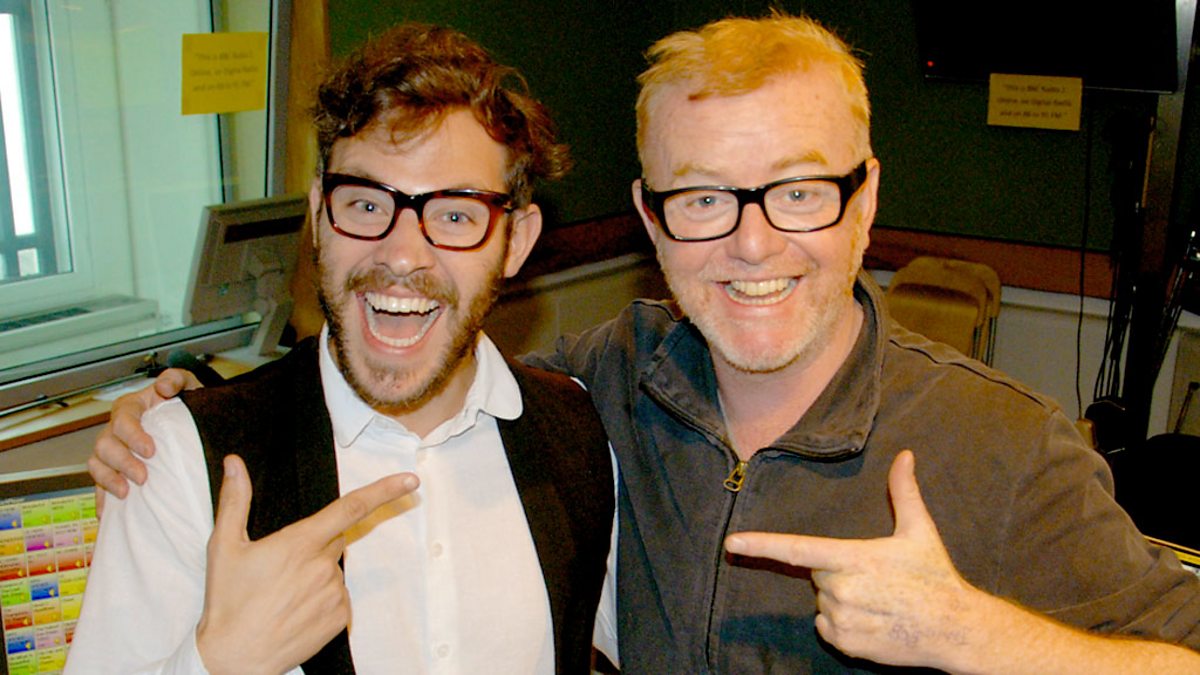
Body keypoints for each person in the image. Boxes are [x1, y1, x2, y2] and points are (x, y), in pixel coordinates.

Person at [89, 12, 1200, 674]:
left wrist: (978, 637)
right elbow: (409, 361)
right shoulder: (601, 394)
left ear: (866, 203)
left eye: (799, 192)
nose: (752, 243)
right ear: (651, 220)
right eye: (703, 197)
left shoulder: (1004, 446)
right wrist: (199, 411)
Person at [67, 24, 615, 675]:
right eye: (365, 204)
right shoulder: (179, 459)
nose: (402, 255)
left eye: (455, 215)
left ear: (516, 241)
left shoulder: (581, 437)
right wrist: (217, 663)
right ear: (319, 215)